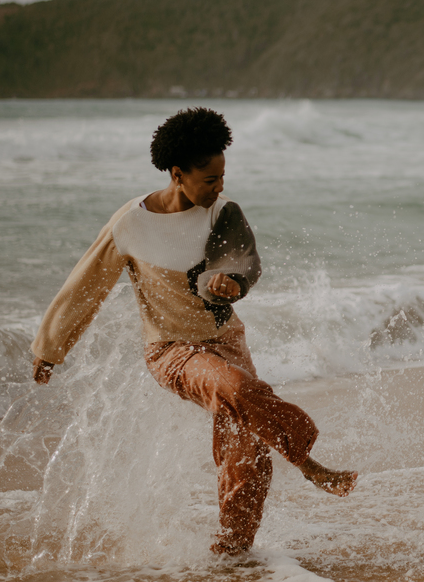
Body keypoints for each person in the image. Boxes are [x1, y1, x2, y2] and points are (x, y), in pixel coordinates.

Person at [30, 107, 356, 556]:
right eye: (210, 179)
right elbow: (85, 285)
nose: (220, 185)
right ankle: (308, 461)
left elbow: (242, 260)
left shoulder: (223, 212)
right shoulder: (131, 223)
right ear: (178, 174)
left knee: (248, 455)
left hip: (227, 342)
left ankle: (232, 552)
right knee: (238, 388)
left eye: (223, 175)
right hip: (170, 350)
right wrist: (50, 348)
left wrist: (230, 281)